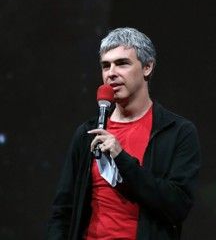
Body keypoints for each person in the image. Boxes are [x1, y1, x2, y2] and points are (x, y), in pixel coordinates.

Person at [47, 27, 201, 239]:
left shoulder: (177, 132)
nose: (111, 73)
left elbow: (177, 206)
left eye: (122, 63)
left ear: (147, 67)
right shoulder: (88, 134)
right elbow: (63, 210)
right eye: (105, 66)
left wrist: (122, 158)